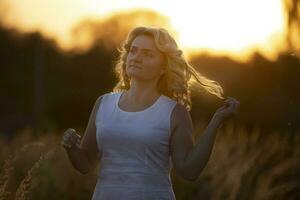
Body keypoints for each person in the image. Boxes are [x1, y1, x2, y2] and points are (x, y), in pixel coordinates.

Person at [61, 26, 240, 200]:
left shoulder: (174, 112)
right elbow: (84, 165)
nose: (136, 58)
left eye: (148, 54)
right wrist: (72, 149)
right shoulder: (103, 103)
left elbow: (189, 171)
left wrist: (217, 121)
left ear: (163, 67)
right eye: (133, 51)